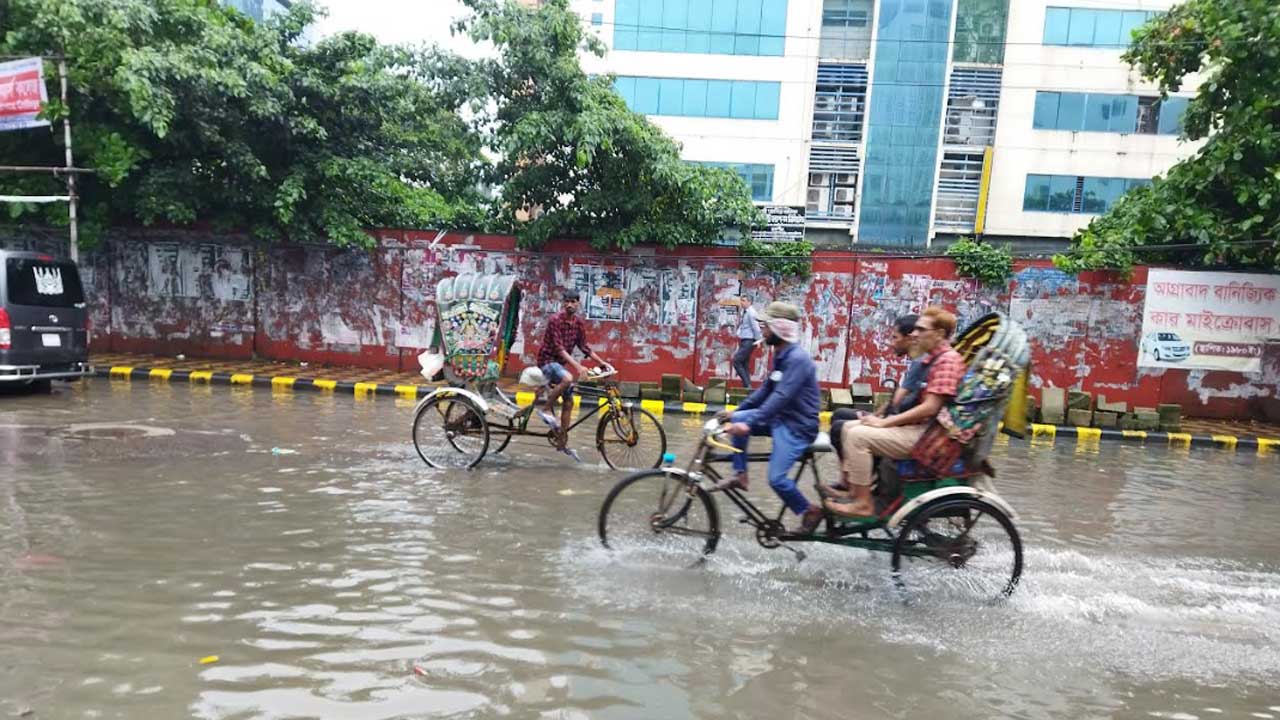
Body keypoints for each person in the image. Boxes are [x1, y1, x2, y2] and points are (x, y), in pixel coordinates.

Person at [825, 307, 965, 518]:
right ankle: (855, 491)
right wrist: (881, 419)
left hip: (929, 436)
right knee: (848, 427)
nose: (915, 334)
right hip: (920, 430)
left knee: (857, 436)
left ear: (939, 334)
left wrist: (885, 423)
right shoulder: (931, 359)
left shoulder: (947, 361)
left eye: (922, 329)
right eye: (915, 329)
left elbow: (930, 407)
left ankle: (863, 504)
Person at [715, 301, 824, 534]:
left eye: (765, 326)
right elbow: (765, 391)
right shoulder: (781, 354)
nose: (762, 331)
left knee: (776, 479)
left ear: (780, 328)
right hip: (780, 418)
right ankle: (740, 475)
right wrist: (737, 412)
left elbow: (781, 397)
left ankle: (808, 510)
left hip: (797, 426)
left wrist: (749, 423)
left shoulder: (797, 360)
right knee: (738, 419)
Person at [828, 314, 922, 469]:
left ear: (909, 338)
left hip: (900, 424)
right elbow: (893, 401)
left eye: (895, 337)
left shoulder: (920, 363)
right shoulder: (915, 362)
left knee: (839, 426)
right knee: (840, 414)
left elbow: (899, 402)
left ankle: (858, 475)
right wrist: (875, 416)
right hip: (893, 418)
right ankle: (855, 472)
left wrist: (880, 421)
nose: (891, 343)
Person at [535, 288, 610, 448]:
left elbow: (584, 347)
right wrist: (577, 366)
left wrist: (602, 363)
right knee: (568, 378)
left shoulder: (578, 323)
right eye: (567, 302)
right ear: (563, 303)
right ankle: (547, 408)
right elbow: (559, 348)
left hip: (560, 365)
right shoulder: (555, 320)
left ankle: (562, 437)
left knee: (569, 402)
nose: (570, 305)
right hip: (547, 361)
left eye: (573, 302)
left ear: (578, 304)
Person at [731, 295, 763, 389]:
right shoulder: (745, 312)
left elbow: (756, 327)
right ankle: (747, 386)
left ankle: (747, 385)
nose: (742, 302)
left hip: (749, 341)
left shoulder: (751, 313)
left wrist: (758, 340)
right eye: (741, 300)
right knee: (744, 363)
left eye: (744, 301)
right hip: (745, 339)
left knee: (737, 361)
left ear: (749, 302)